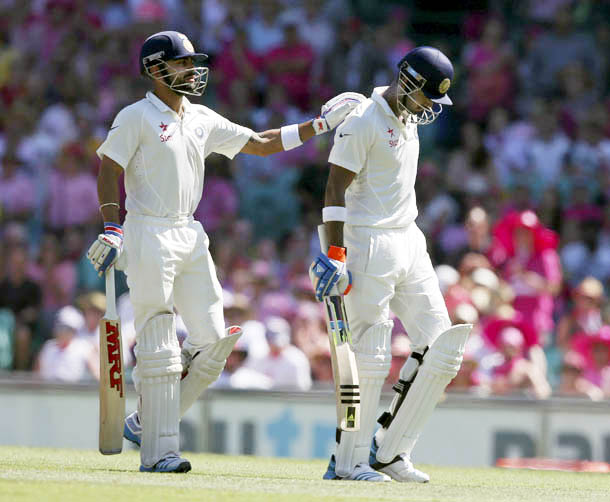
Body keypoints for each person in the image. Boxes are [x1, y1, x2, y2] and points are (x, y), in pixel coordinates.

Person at [86, 31, 363, 474]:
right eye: (183, 64)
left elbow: (259, 142)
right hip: (148, 231)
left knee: (213, 345)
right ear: (156, 69)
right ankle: (160, 454)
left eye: (195, 63)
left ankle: (145, 423)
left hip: (190, 233)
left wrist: (318, 126)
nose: (194, 71)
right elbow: (109, 167)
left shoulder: (200, 117)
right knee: (158, 339)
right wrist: (112, 227)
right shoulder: (135, 116)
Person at [309, 46, 472, 482]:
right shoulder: (364, 121)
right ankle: (347, 462)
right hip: (365, 243)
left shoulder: (409, 117)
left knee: (442, 346)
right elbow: (334, 190)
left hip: (409, 239)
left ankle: (390, 452)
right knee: (370, 354)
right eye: (427, 97)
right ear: (408, 82)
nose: (431, 108)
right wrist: (335, 253)